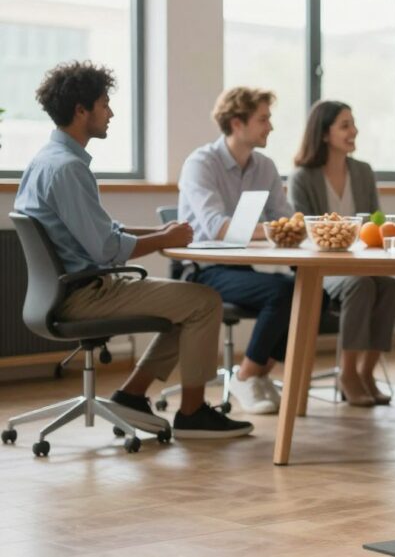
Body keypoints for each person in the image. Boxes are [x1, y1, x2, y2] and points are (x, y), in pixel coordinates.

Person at [14, 60, 252, 438]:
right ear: (81, 111)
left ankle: (132, 395)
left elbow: (98, 231)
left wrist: (159, 230)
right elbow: (107, 248)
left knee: (188, 303)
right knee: (204, 301)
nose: (110, 113)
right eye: (104, 104)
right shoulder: (69, 169)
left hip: (62, 289)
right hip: (83, 294)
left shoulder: (47, 160)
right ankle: (192, 414)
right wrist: (164, 241)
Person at [179, 86, 317, 414]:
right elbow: (219, 229)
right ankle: (245, 375)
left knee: (313, 292)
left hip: (241, 267)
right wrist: (280, 229)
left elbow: (285, 220)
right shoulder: (202, 163)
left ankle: (260, 373)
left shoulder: (264, 167)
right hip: (204, 268)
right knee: (283, 292)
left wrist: (290, 227)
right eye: (263, 119)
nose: (270, 126)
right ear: (237, 123)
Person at [289, 100, 395, 406]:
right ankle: (348, 373)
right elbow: (303, 231)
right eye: (345, 125)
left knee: (392, 284)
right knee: (360, 285)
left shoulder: (363, 172)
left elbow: (376, 221)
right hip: (321, 267)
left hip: (361, 261)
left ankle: (367, 371)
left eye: (353, 124)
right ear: (324, 134)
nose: (354, 131)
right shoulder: (302, 177)